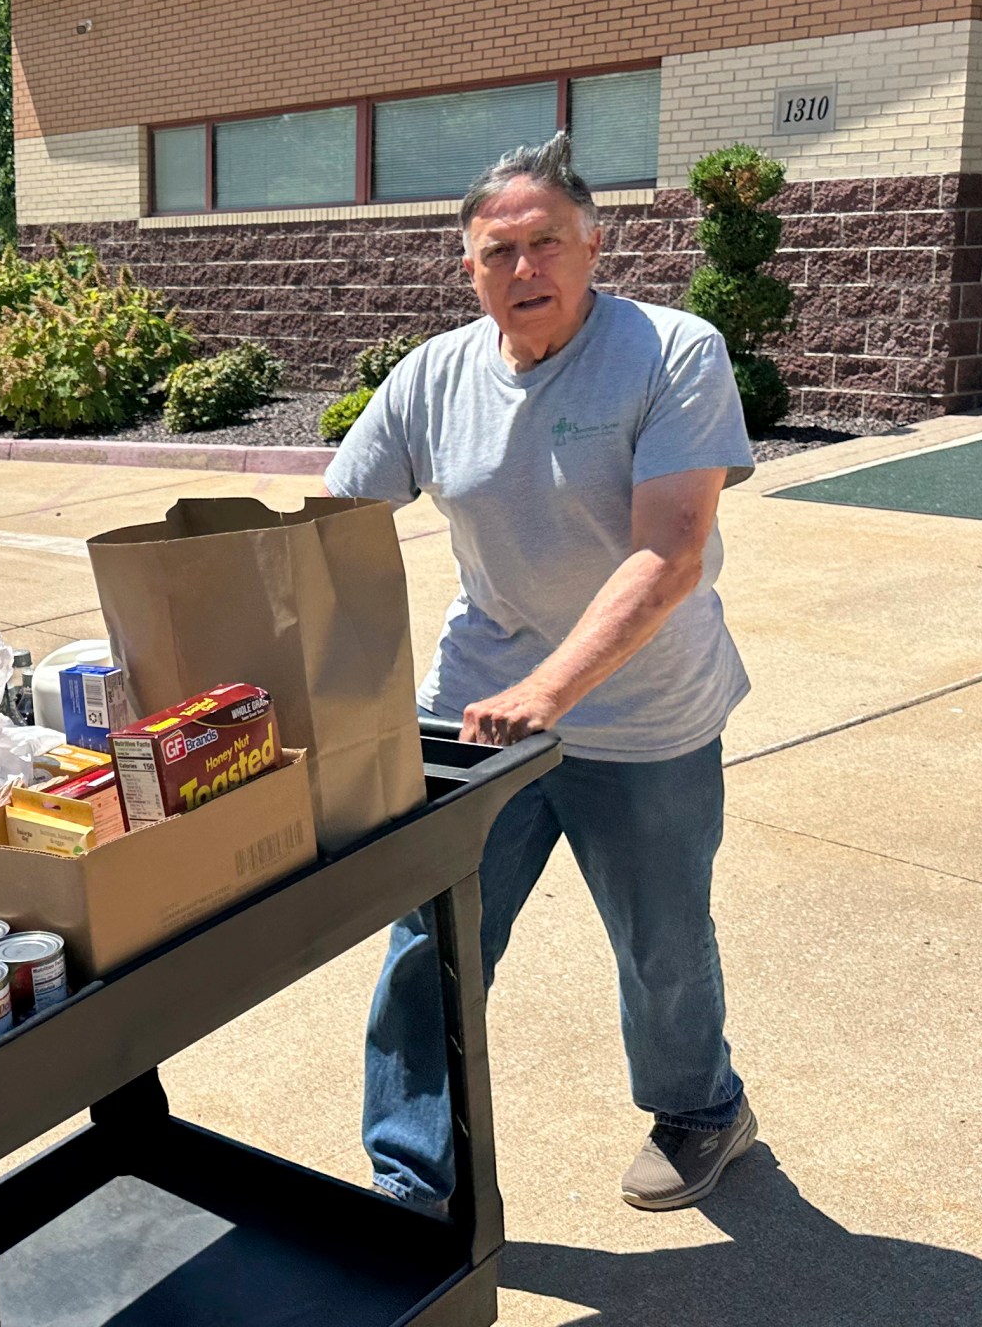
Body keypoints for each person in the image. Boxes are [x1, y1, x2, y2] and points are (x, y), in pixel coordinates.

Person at [325, 132, 758, 1213]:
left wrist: (549, 693)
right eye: (497, 252)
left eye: (547, 244)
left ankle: (702, 1110)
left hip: (645, 714)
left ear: (592, 245)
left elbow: (667, 553)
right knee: (427, 942)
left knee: (662, 943)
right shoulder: (433, 374)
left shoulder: (672, 352)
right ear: (467, 267)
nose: (526, 271)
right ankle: (412, 1179)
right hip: (477, 707)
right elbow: (329, 527)